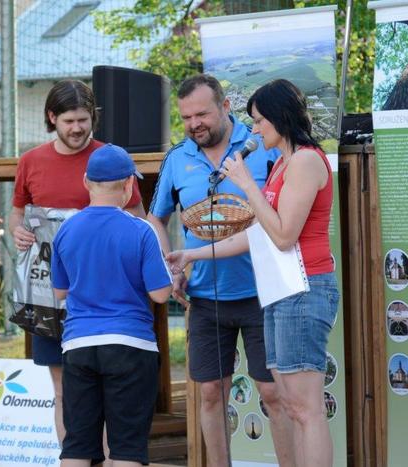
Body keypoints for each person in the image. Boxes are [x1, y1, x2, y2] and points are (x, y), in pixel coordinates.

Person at [167, 79, 340, 467]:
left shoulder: (306, 161)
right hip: (280, 290)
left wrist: (246, 183)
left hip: (304, 287)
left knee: (305, 408)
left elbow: (283, 235)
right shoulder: (283, 164)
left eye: (260, 121)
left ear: (280, 117)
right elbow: (260, 233)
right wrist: (192, 254)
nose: (256, 130)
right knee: (292, 404)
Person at [147, 74, 293, 466]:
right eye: (186, 117)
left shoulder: (261, 145)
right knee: (211, 392)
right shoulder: (177, 158)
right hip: (205, 297)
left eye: (202, 114)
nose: (194, 123)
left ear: (225, 107)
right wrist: (170, 267)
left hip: (264, 292)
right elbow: (155, 218)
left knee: (274, 393)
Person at [9, 79, 146, 448]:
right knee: (62, 390)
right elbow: (17, 212)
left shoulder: (110, 158)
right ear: (52, 117)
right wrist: (19, 231)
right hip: (49, 294)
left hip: (104, 296)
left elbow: (137, 216)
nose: (77, 128)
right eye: (69, 121)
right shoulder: (31, 161)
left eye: (83, 120)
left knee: (105, 392)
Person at [51, 144, 172, 467]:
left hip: (78, 345)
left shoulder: (66, 229)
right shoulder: (141, 230)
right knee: (126, 448)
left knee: (77, 446)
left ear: (86, 182)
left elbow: (60, 291)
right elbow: (160, 294)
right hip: (130, 345)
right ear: (129, 184)